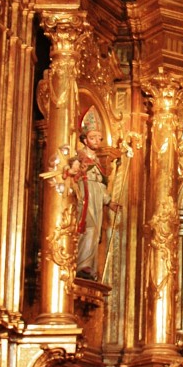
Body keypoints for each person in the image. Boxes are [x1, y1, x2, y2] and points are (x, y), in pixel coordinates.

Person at [70, 112, 118, 281]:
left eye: (99, 138)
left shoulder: (97, 161)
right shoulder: (79, 157)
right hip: (85, 199)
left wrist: (109, 202)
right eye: (93, 137)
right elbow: (72, 177)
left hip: (96, 200)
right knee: (88, 229)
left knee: (96, 231)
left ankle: (89, 265)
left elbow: (100, 185)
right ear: (84, 140)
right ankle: (82, 264)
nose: (97, 141)